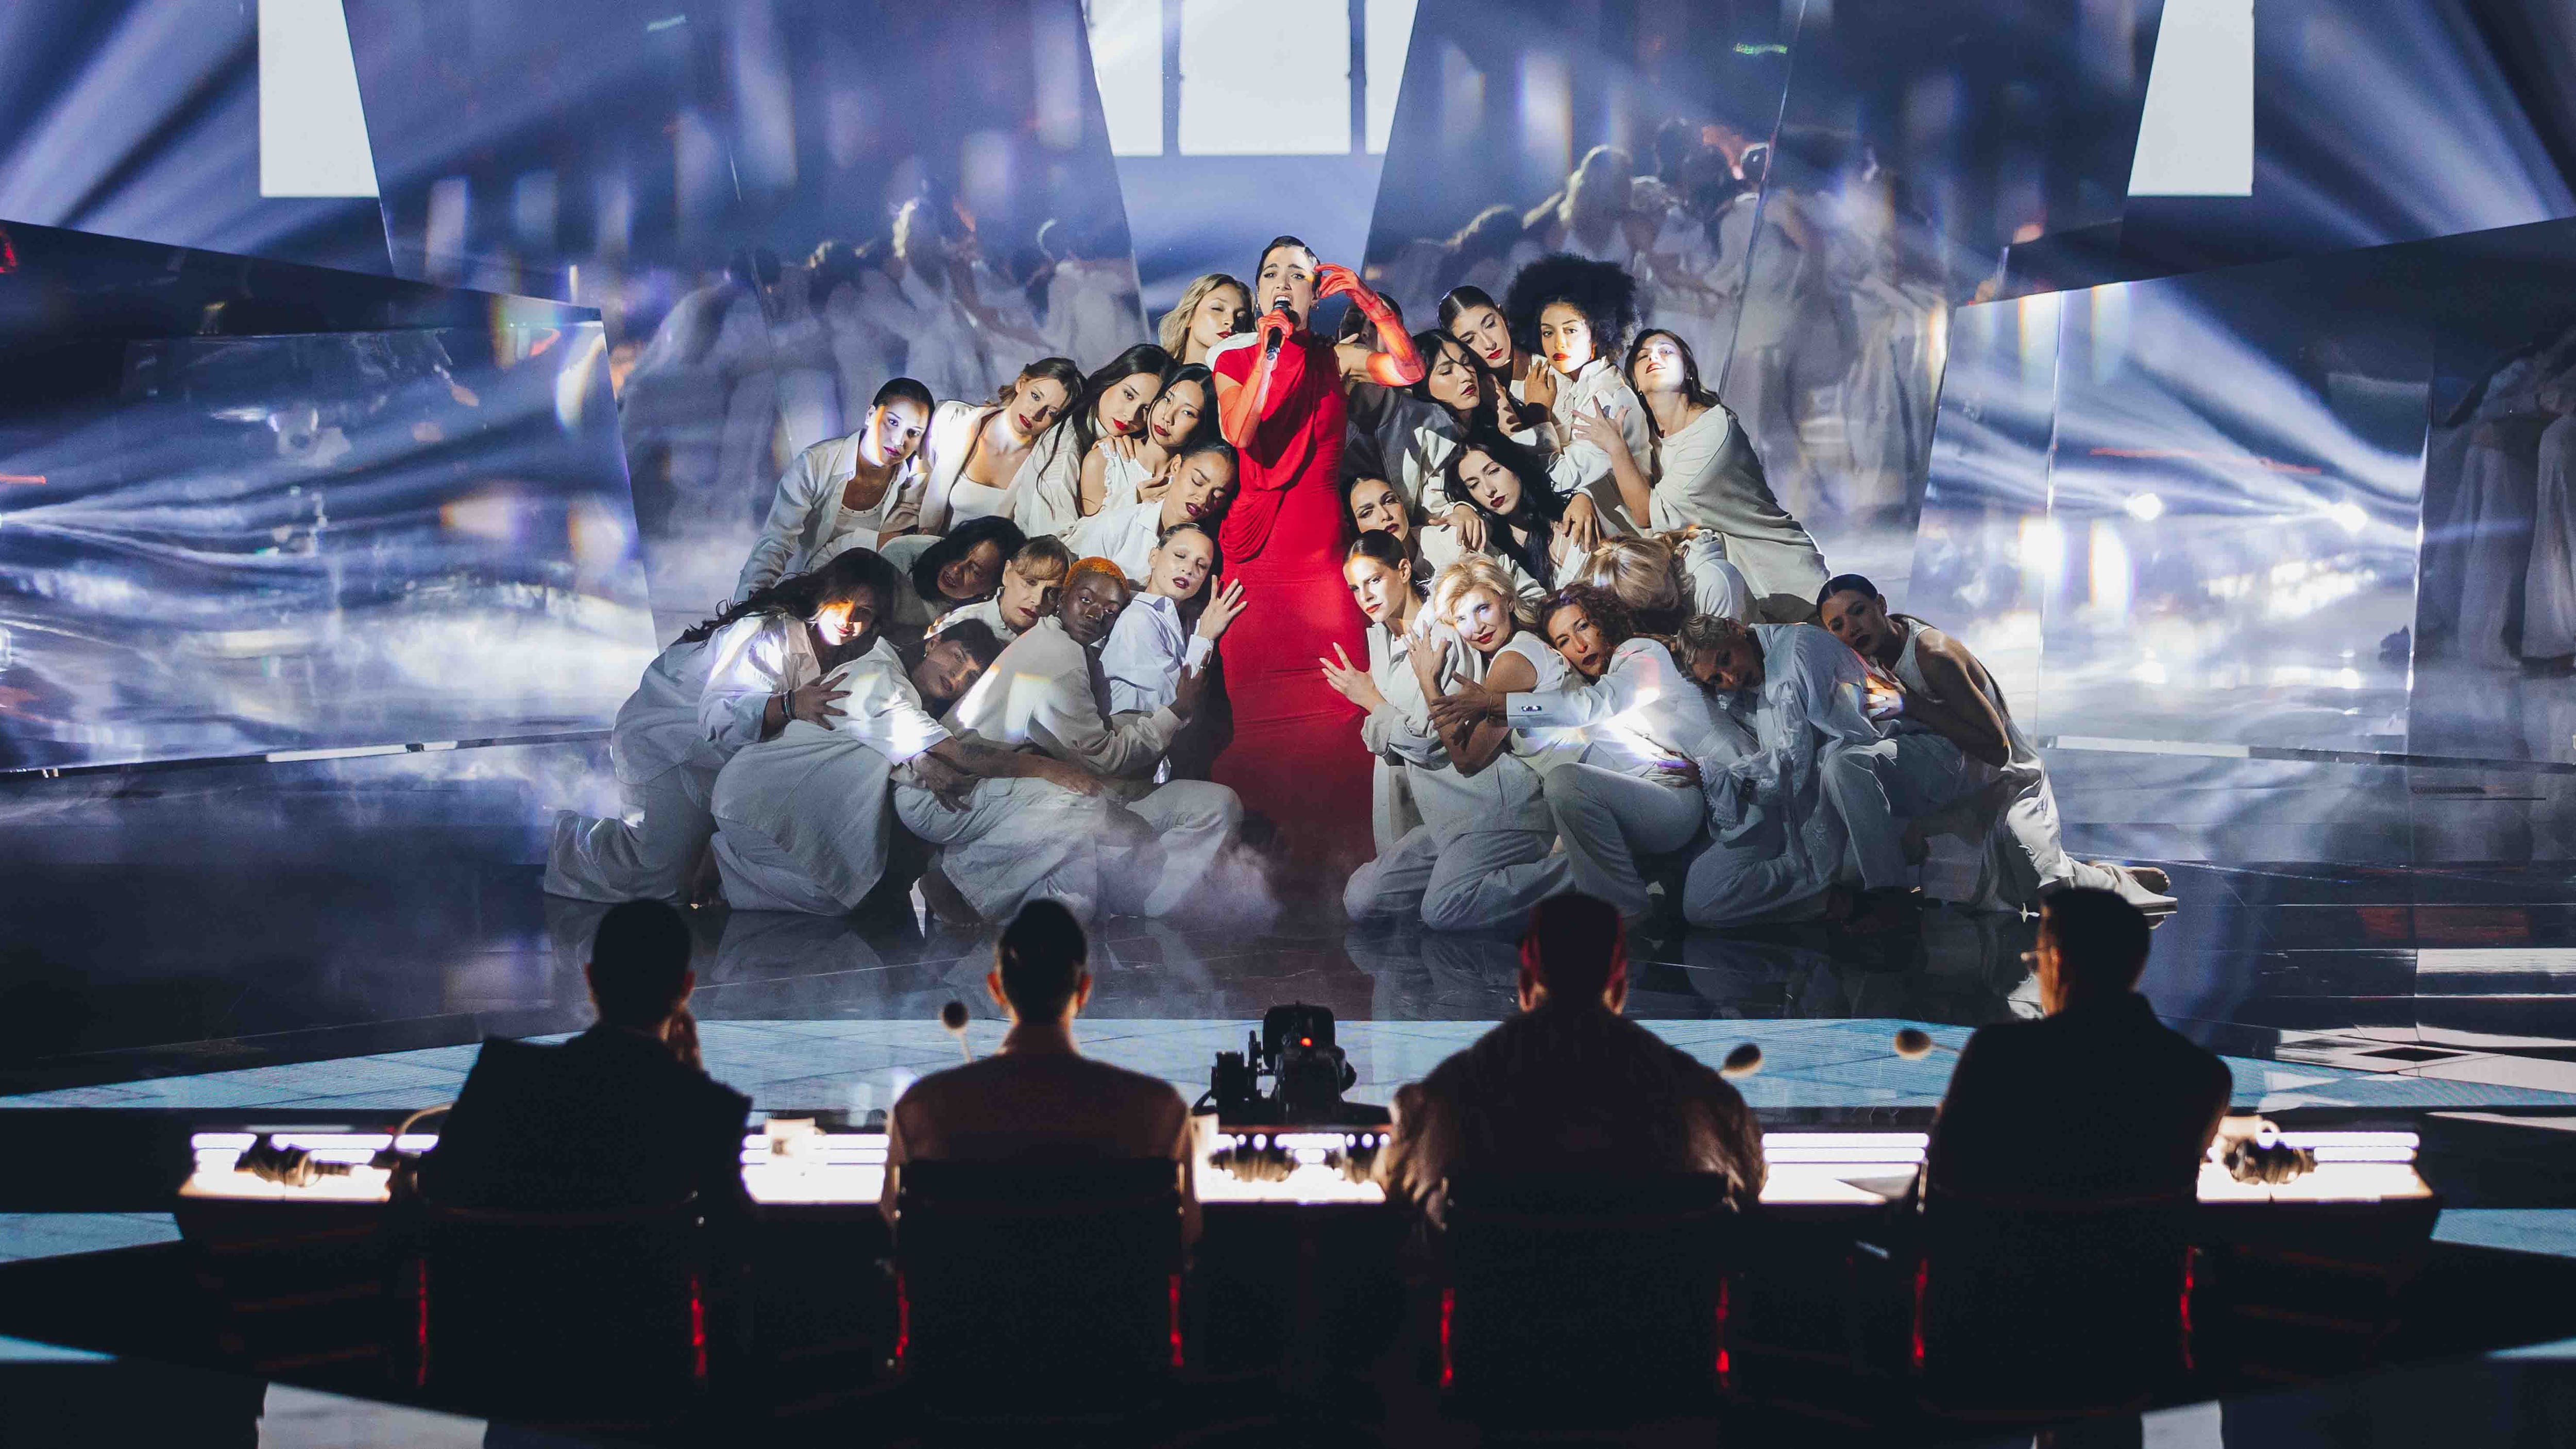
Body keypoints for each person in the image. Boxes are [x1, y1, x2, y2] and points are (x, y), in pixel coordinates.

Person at [1208, 235, 1423, 880]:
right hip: (1257, 559)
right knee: (1261, 728)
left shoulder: (1337, 360)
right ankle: (1262, 881)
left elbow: (1408, 371)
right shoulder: (1233, 358)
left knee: (1342, 708)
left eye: (1297, 274)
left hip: (1319, 560)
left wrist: (1368, 301)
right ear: (1257, 293)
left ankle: (1351, 871)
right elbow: (1240, 430)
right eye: (1271, 273)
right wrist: (1269, 352)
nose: (1283, 282)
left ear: (1314, 291)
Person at [707, 553, 1089, 915]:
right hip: (756, 803)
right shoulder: (880, 678)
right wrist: (1049, 769)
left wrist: (915, 759)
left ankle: (726, 868)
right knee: (840, 894)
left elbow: (885, 737)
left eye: (970, 677)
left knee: (842, 897)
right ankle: (723, 863)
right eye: (957, 657)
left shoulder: (900, 691)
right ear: (933, 642)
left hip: (764, 806)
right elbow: (957, 754)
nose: (956, 676)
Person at [1376, 894, 1765, 1217]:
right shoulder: (1705, 1102)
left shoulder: (1449, 1095)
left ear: (1525, 986)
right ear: (1619, 990)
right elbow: (1749, 1185)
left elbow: (1399, 1185)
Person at [1815, 575, 2176, 918]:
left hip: (2002, 780)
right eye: (1838, 625)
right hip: (1944, 776)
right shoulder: (1861, 659)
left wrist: (1913, 705)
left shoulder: (1932, 654)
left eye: (1858, 611)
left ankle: (2111, 878)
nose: (1852, 629)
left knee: (2048, 894)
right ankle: (1893, 896)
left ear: (1881, 604)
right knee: (1852, 862)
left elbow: (1997, 748)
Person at [945, 560, 1242, 916]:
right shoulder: (1060, 656)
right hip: (964, 792)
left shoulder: (1080, 649)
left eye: (1110, 611)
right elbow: (1104, 758)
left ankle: (1142, 904)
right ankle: (959, 886)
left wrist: (1200, 644)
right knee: (1076, 894)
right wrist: (1178, 710)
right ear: (1062, 598)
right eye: (1086, 600)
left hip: (1065, 790)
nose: (1096, 615)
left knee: (1217, 805)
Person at [880, 901, 1195, 1235]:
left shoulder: (921, 1110)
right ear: (1084, 990)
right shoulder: (1160, 1111)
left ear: (996, 988)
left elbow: (889, 1231)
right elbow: (1191, 1235)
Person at [424, 900, 751, 1218]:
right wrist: (692, 1081)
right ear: (687, 987)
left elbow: (434, 1185)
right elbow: (733, 1229)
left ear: (591, 978)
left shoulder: (502, 1076)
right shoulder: (712, 1112)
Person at [1430, 585, 1729, 924]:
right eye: (1563, 641)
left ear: (1604, 620)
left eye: (1583, 626)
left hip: (1686, 794)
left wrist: (1499, 703)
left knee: (1565, 782)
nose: (1580, 645)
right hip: (1651, 794)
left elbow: (1590, 706)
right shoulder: (1597, 677)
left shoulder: (1639, 653)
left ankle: (1626, 916)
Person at [1926, 889, 2230, 1202]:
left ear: (2057, 962)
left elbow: (1948, 1175)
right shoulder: (2206, 1077)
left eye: (2036, 961)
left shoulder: (1998, 1055)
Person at [1331, 537, 1569, 930]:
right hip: (1445, 818)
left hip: (1493, 807)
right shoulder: (1382, 640)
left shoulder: (1446, 634)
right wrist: (1384, 717)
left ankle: (1587, 871)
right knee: (1362, 898)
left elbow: (1433, 744)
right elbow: (1390, 744)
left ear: (1403, 571)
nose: (1365, 596)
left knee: (1443, 910)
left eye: (1374, 580)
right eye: (1356, 588)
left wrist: (1373, 703)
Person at [1596, 329, 1828, 620]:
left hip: (1785, 583)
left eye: (1666, 351)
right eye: (1643, 356)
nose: (1654, 357)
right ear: (1636, 383)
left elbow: (1646, 513)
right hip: (1738, 589)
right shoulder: (1648, 436)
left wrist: (1616, 447)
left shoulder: (1713, 433)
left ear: (1688, 371)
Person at [1673, 616, 1883, 928]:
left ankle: (1831, 897)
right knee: (1703, 897)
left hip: (1848, 795)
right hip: (1795, 807)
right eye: (1716, 678)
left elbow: (1790, 770)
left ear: (1735, 628)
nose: (1730, 678)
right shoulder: (1755, 679)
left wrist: (1714, 778)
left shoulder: (1791, 659)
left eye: (1726, 659)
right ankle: (1823, 899)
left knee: (1707, 900)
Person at [736, 378, 937, 600]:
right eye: (892, 422)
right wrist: (746, 608)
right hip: (787, 595)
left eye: (913, 433)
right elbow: (776, 543)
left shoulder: (911, 489)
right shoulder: (816, 463)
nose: (899, 441)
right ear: (870, 415)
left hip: (850, 607)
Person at [1502, 253, 1656, 532]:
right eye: (1548, 333)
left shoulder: (1607, 397)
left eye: (1571, 330)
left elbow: (1560, 479)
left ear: (1596, 333)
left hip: (1630, 539)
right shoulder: (1570, 382)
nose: (1559, 343)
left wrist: (1538, 414)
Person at [1012, 344, 1175, 537]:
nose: (1132, 415)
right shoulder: (1065, 449)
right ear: (1110, 380)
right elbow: (1057, 541)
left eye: (1146, 409)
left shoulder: (1128, 445)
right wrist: (1131, 500)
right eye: (1128, 395)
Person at [1100, 521, 1249, 726]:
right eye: (1180, 556)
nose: (1189, 569)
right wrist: (1205, 637)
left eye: (1201, 565)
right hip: (1130, 739)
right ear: (1154, 557)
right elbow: (1179, 704)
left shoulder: (1185, 619)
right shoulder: (1137, 619)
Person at [914, 358, 1082, 534]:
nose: (1035, 413)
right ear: (1022, 383)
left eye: (1051, 412)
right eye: (1035, 396)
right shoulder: (953, 420)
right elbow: (911, 496)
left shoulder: (1042, 467)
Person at [1345, 473, 1542, 607]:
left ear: (1402, 504)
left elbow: (1527, 591)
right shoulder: (1369, 585)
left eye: (1390, 501)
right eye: (1367, 513)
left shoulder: (1452, 538)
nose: (1385, 515)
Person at [1063, 439, 1240, 583]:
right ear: (1176, 466)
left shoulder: (1205, 557)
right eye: (1197, 482)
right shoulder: (1118, 525)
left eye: (1217, 496)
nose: (1203, 499)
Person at [1442, 428, 1584, 592]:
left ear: (1514, 463)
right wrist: (1462, 508)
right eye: (1474, 485)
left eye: (1493, 471)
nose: (1489, 490)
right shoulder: (1488, 546)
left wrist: (1585, 496)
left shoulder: (1568, 526)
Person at [877, 516, 1026, 652]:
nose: (956, 569)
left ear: (992, 589)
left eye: (975, 571)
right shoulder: (900, 555)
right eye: (959, 553)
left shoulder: (980, 619)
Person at [1097, 365, 1218, 510]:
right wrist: (1131, 500)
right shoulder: (1104, 462)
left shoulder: (1198, 485)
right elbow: (1087, 525)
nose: (1167, 416)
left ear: (1203, 426)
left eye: (1187, 413)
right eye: (1167, 400)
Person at [1578, 533, 1754, 630]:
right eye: (1646, 601)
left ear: (1660, 561)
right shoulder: (1649, 614)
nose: (1662, 600)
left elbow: (1725, 656)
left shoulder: (1714, 582)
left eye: (1658, 584)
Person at [928, 534, 1073, 647]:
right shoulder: (957, 626)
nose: (1038, 600)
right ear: (1007, 572)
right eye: (1030, 582)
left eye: (1052, 592)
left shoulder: (1056, 643)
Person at [1156, 273, 1252, 366]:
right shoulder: (1157, 373)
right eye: (1217, 309)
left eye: (1241, 317)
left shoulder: (1254, 376)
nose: (1231, 321)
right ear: (1189, 316)